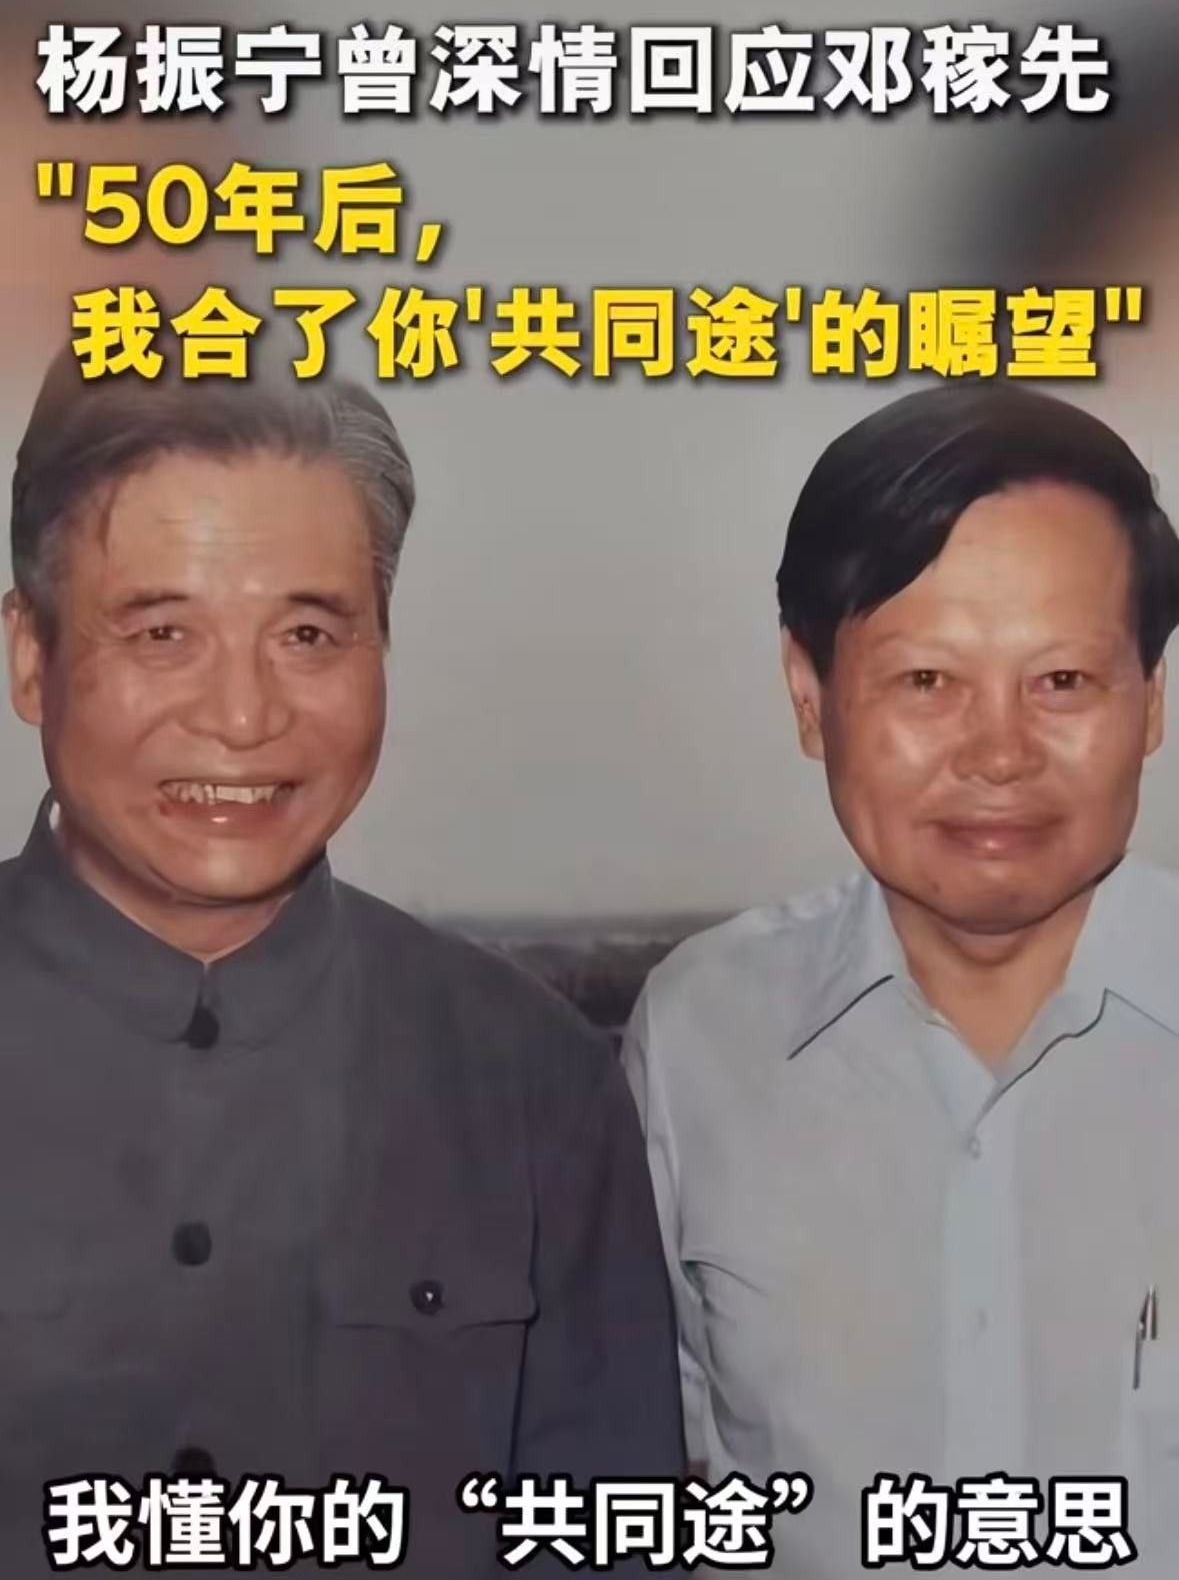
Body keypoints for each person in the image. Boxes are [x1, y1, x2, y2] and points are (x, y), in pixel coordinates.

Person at [0, 347, 683, 1576]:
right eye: (164, 632)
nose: (244, 715)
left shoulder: (536, 1081)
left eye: (309, 632)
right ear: (30, 656)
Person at [623, 381, 1179, 1578]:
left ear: (1152, 701)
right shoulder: (699, 1035)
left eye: (1062, 681)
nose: (998, 753)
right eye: (927, 680)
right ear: (809, 695)